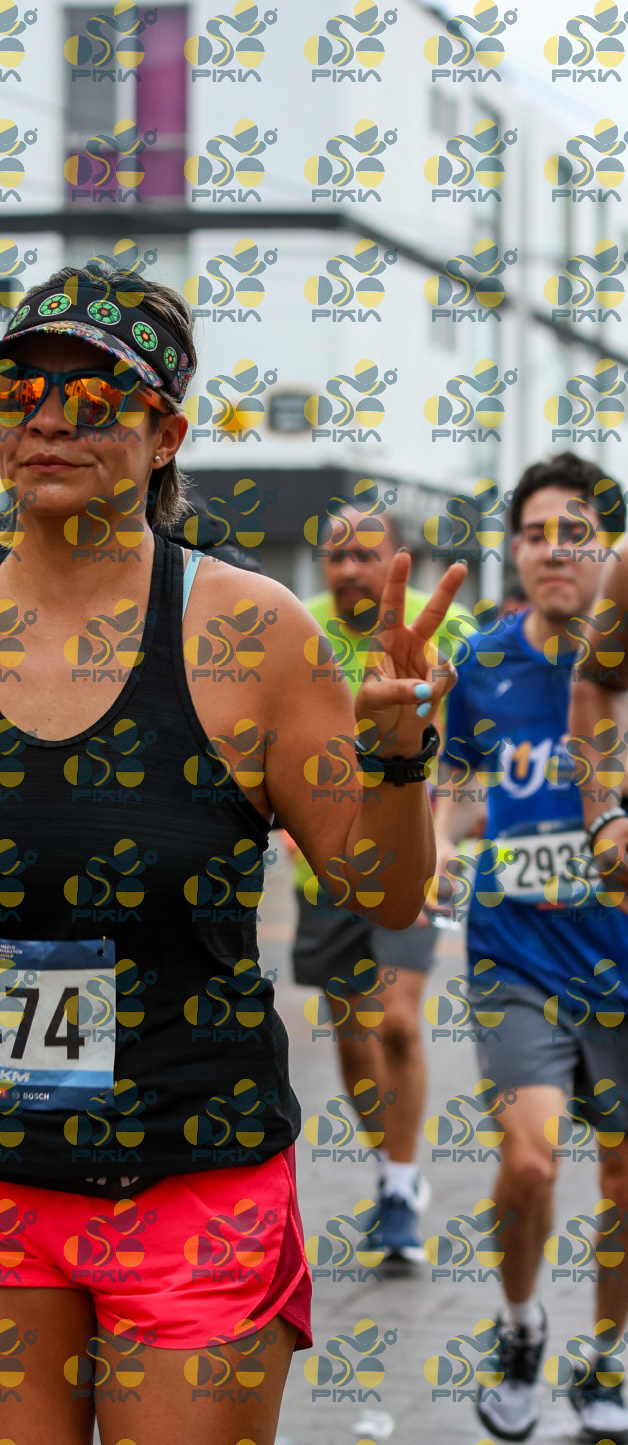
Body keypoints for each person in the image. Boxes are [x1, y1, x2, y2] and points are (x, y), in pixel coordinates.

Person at [0, 264, 465, 1442]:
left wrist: (399, 756)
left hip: (191, 1177)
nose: (50, 419)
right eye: (21, 389)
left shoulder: (253, 634)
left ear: (165, 435)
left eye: (97, 395)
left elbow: (385, 891)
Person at [433, 454, 628, 1445]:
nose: (555, 550)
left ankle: (608, 1357)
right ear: (513, 550)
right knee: (531, 1161)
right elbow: (460, 784)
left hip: (621, 953)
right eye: (536, 533)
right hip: (515, 950)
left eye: (576, 532)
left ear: (609, 551)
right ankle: (520, 1330)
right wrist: (437, 842)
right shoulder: (482, 660)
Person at [290, 505, 470, 1263]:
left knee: (396, 1020)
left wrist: (446, 836)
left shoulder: (445, 628)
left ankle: (397, 1190)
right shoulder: (297, 628)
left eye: (366, 553)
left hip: (411, 863)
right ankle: (395, 1168)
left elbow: (464, 754)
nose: (350, 568)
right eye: (337, 555)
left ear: (399, 557)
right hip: (325, 868)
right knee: (353, 1033)